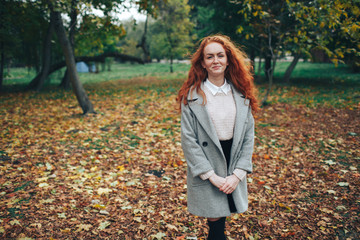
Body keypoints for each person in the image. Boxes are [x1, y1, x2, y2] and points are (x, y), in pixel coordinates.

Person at [176, 35, 259, 239]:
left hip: (233, 160)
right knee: (215, 222)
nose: (216, 61)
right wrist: (211, 176)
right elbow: (189, 140)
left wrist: (238, 174)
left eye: (220, 55)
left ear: (228, 59)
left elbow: (248, 137)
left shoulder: (241, 94)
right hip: (208, 163)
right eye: (210, 56)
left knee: (222, 218)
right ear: (202, 63)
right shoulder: (192, 96)